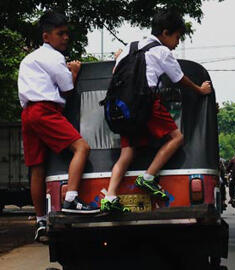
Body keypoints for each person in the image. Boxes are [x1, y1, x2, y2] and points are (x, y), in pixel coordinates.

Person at [100, 8, 212, 212]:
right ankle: (148, 177)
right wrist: (200, 89)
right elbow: (179, 79)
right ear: (166, 33)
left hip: (123, 106)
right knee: (176, 138)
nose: (177, 42)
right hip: (147, 103)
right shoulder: (162, 52)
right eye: (177, 37)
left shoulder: (129, 47)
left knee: (128, 151)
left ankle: (110, 196)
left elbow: (116, 71)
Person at [18, 11, 100, 240]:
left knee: (37, 169)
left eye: (66, 34)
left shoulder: (28, 60)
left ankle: (41, 221)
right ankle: (71, 199)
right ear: (46, 37)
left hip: (28, 113)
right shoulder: (54, 58)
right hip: (46, 110)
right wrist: (73, 71)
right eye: (60, 34)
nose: (65, 38)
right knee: (82, 148)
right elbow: (68, 89)